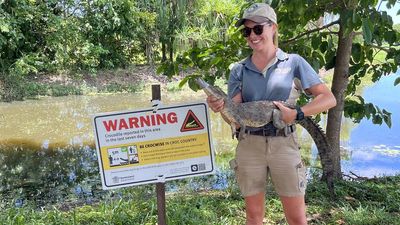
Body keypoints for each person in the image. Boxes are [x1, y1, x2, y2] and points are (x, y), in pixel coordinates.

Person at [206, 3, 336, 225]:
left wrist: (297, 114)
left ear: (273, 28)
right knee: (254, 218)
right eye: (247, 31)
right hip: (249, 145)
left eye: (258, 29)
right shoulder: (238, 69)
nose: (252, 36)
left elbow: (328, 98)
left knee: (296, 219)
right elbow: (236, 114)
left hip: (284, 143)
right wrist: (221, 108)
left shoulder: (294, 62)